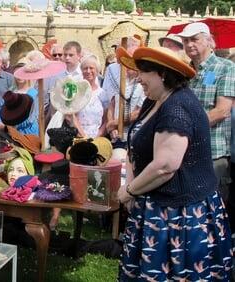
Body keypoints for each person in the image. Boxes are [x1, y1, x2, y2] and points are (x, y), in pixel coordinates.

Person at [116, 46, 233, 280]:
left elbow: (165, 166)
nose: (138, 79)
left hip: (179, 215)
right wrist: (132, 183)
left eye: (143, 73)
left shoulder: (177, 108)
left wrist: (128, 191)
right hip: (156, 205)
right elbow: (135, 145)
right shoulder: (155, 101)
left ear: (161, 74)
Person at [177, 22, 235, 203]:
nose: (189, 45)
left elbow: (222, 111)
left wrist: (185, 129)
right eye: (185, 41)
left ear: (209, 41)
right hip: (184, 151)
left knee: (213, 209)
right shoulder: (184, 72)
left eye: (194, 39)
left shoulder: (226, 67)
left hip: (213, 154)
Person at [0, 63, 39, 135]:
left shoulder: (34, 93)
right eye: (17, 73)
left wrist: (10, 126)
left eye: (22, 73)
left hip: (28, 132)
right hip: (10, 132)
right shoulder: (11, 92)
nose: (20, 76)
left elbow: (32, 118)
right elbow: (1, 109)